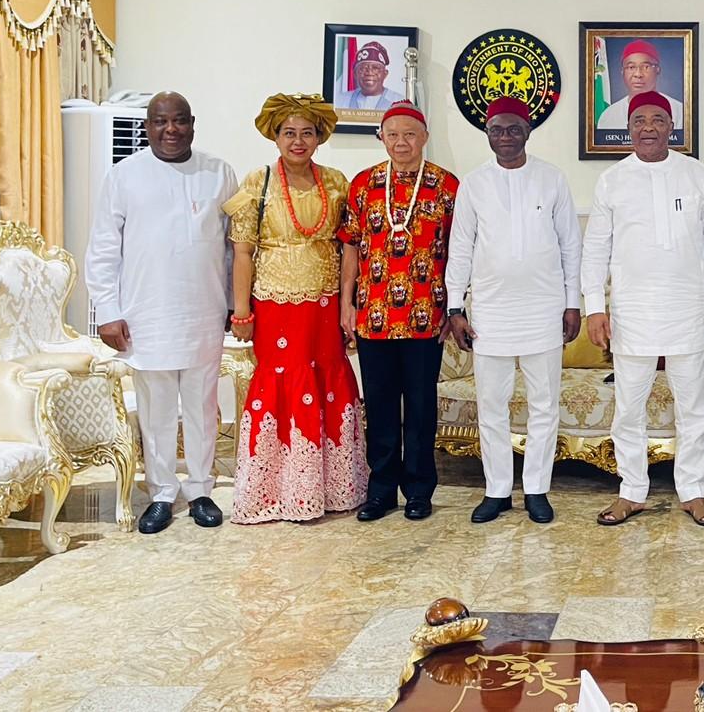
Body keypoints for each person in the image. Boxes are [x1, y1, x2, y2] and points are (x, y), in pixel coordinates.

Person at [85, 91, 237, 535]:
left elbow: (233, 249)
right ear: (147, 127)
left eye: (179, 121)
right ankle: (161, 494)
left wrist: (233, 304)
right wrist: (108, 312)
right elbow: (103, 250)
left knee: (203, 406)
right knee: (155, 410)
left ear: (193, 123)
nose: (170, 130)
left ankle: (202, 489)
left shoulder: (219, 173)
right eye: (160, 122)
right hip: (145, 313)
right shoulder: (124, 176)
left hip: (203, 310)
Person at [581, 91, 704, 528]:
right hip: (632, 310)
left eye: (658, 119)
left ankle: (693, 491)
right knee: (629, 406)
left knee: (695, 404)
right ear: (629, 128)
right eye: (639, 120)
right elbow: (596, 249)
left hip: (686, 307)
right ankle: (631, 491)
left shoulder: (695, 174)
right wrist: (595, 307)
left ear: (671, 127)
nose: (648, 127)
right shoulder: (612, 179)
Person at [223, 94, 368, 524]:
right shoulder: (258, 182)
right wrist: (241, 312)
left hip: (324, 304)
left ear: (320, 138)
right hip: (274, 305)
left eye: (307, 133)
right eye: (290, 133)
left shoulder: (338, 183)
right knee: (280, 382)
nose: (298, 141)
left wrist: (349, 305)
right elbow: (242, 253)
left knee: (328, 378)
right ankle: (273, 491)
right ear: (276, 136)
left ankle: (331, 489)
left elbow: (350, 249)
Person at [445, 96, 582, 526]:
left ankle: (537, 488)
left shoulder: (552, 179)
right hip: (490, 310)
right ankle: (497, 490)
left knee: (544, 402)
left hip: (543, 308)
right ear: (487, 134)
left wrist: (572, 302)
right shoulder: (474, 184)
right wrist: (454, 305)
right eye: (497, 130)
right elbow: (461, 247)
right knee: (492, 404)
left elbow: (570, 246)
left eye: (513, 129)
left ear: (528, 131)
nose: (505, 137)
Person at [338, 100, 458, 522]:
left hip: (427, 316)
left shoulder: (446, 186)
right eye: (393, 134)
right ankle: (382, 490)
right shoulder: (364, 184)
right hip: (373, 316)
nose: (401, 141)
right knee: (382, 407)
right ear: (382, 138)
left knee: (422, 410)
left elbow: (462, 251)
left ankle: (420, 490)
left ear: (425, 137)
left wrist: (458, 306)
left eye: (410, 134)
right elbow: (350, 245)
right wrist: (346, 304)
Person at [594, 40, 685, 132]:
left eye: (646, 67)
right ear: (622, 71)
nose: (638, 74)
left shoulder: (679, 111)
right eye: (631, 67)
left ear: (658, 70)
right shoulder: (609, 115)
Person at [336, 40, 405, 111]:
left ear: (385, 74)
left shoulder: (401, 102)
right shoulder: (339, 101)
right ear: (355, 74)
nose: (369, 72)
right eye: (363, 68)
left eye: (375, 68)